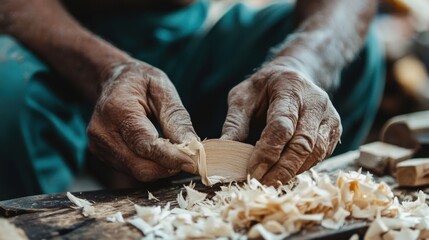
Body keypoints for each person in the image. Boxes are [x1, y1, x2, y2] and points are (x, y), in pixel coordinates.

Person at [0, 0, 384, 200]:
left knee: (352, 55)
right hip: (52, 44)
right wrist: (106, 70)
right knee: (7, 91)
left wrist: (301, 64)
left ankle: (280, 209)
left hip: (189, 47)